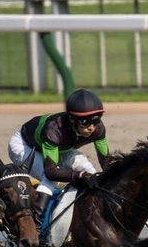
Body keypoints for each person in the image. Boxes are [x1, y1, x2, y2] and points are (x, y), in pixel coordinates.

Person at [8, 88, 110, 230]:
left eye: (96, 120)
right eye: (86, 122)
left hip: (60, 148)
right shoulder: (54, 129)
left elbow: (106, 163)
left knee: (88, 168)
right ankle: (37, 223)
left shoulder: (98, 128)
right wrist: (78, 176)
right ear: (72, 119)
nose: (91, 127)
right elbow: (51, 171)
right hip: (24, 147)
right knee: (50, 179)